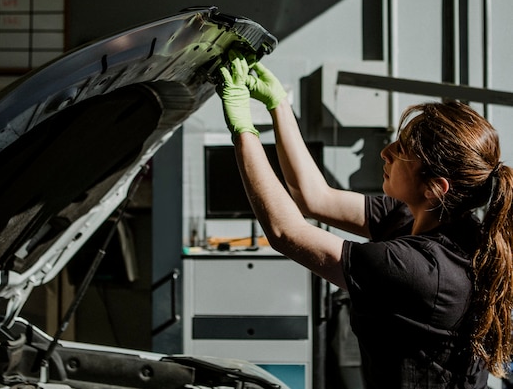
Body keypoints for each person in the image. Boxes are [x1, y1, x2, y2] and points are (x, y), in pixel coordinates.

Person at [215, 49, 513, 389]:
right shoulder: (421, 219)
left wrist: (242, 130)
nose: (386, 151)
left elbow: (287, 232)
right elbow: (313, 197)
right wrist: (279, 105)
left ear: (435, 187)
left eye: (401, 151)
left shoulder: (419, 269)